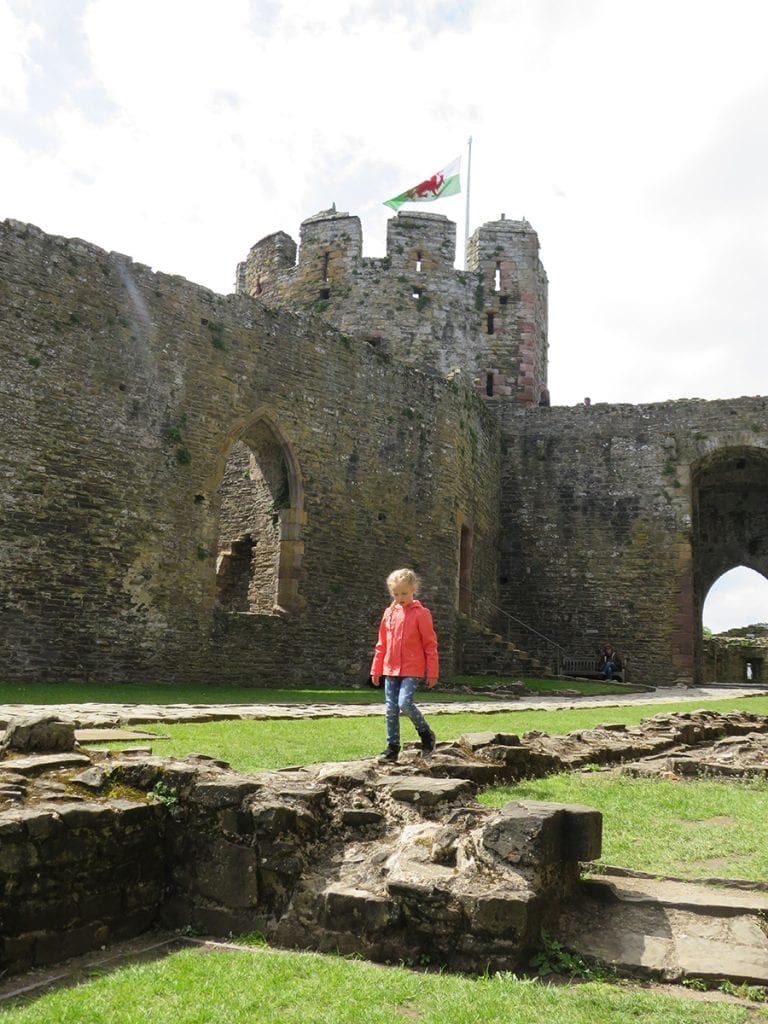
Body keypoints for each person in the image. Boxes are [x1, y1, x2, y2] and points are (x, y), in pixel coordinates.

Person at [370, 568, 438, 762]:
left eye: (404, 593)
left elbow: (430, 644)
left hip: (412, 669)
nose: (400, 597)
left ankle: (426, 734)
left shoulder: (422, 614)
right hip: (390, 668)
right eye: (396, 594)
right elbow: (381, 644)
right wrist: (376, 669)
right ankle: (392, 748)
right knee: (390, 709)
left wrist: (432, 672)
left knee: (404, 704)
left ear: (414, 589)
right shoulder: (389, 614)